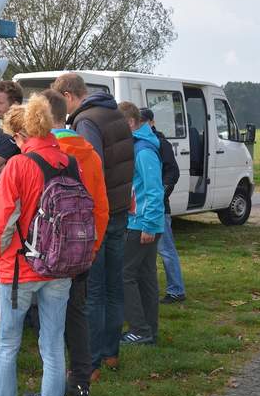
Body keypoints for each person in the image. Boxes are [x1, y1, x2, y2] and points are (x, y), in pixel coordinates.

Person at [0, 94, 73, 396]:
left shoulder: (18, 165)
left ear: (22, 134)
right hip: (61, 265)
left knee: (7, 344)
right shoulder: (68, 161)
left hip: (20, 268)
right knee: (52, 344)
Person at [51, 74, 133, 379]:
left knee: (93, 293)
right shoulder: (115, 113)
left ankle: (93, 361)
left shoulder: (86, 121)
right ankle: (112, 352)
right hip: (121, 208)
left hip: (100, 213)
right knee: (114, 287)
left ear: (70, 96)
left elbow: (89, 168)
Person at [42, 89, 109, 396]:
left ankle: (53, 390)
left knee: (51, 322)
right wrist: (92, 247)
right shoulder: (90, 153)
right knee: (77, 315)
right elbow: (101, 206)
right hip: (83, 250)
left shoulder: (43, 155)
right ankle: (80, 383)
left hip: (50, 253)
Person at [117, 102, 165, 345]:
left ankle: (139, 329)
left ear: (130, 123)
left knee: (124, 274)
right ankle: (149, 331)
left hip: (141, 224)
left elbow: (155, 190)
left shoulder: (143, 150)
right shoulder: (140, 145)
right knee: (145, 277)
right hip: (143, 222)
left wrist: (148, 224)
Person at [139, 109, 185, 304]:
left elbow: (173, 173)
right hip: (143, 208)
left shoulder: (161, 143)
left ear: (151, 122)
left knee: (166, 250)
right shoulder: (139, 143)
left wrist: (160, 196)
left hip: (159, 208)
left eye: (143, 122)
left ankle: (176, 290)